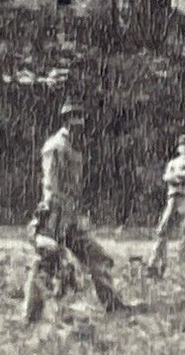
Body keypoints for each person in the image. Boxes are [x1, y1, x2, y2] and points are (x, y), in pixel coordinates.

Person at [22, 102, 119, 322]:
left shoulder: (73, 145)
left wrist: (75, 212)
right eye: (75, 117)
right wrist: (50, 217)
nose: (80, 122)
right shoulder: (55, 146)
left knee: (97, 256)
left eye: (81, 117)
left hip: (71, 214)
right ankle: (30, 315)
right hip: (55, 213)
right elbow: (51, 184)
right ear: (66, 120)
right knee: (45, 261)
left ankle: (113, 304)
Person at [146, 134, 185, 278]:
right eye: (182, 146)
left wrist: (178, 176)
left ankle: (180, 262)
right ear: (178, 148)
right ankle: (154, 262)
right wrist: (179, 176)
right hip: (173, 197)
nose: (184, 148)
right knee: (162, 228)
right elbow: (167, 177)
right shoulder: (173, 162)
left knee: (184, 230)